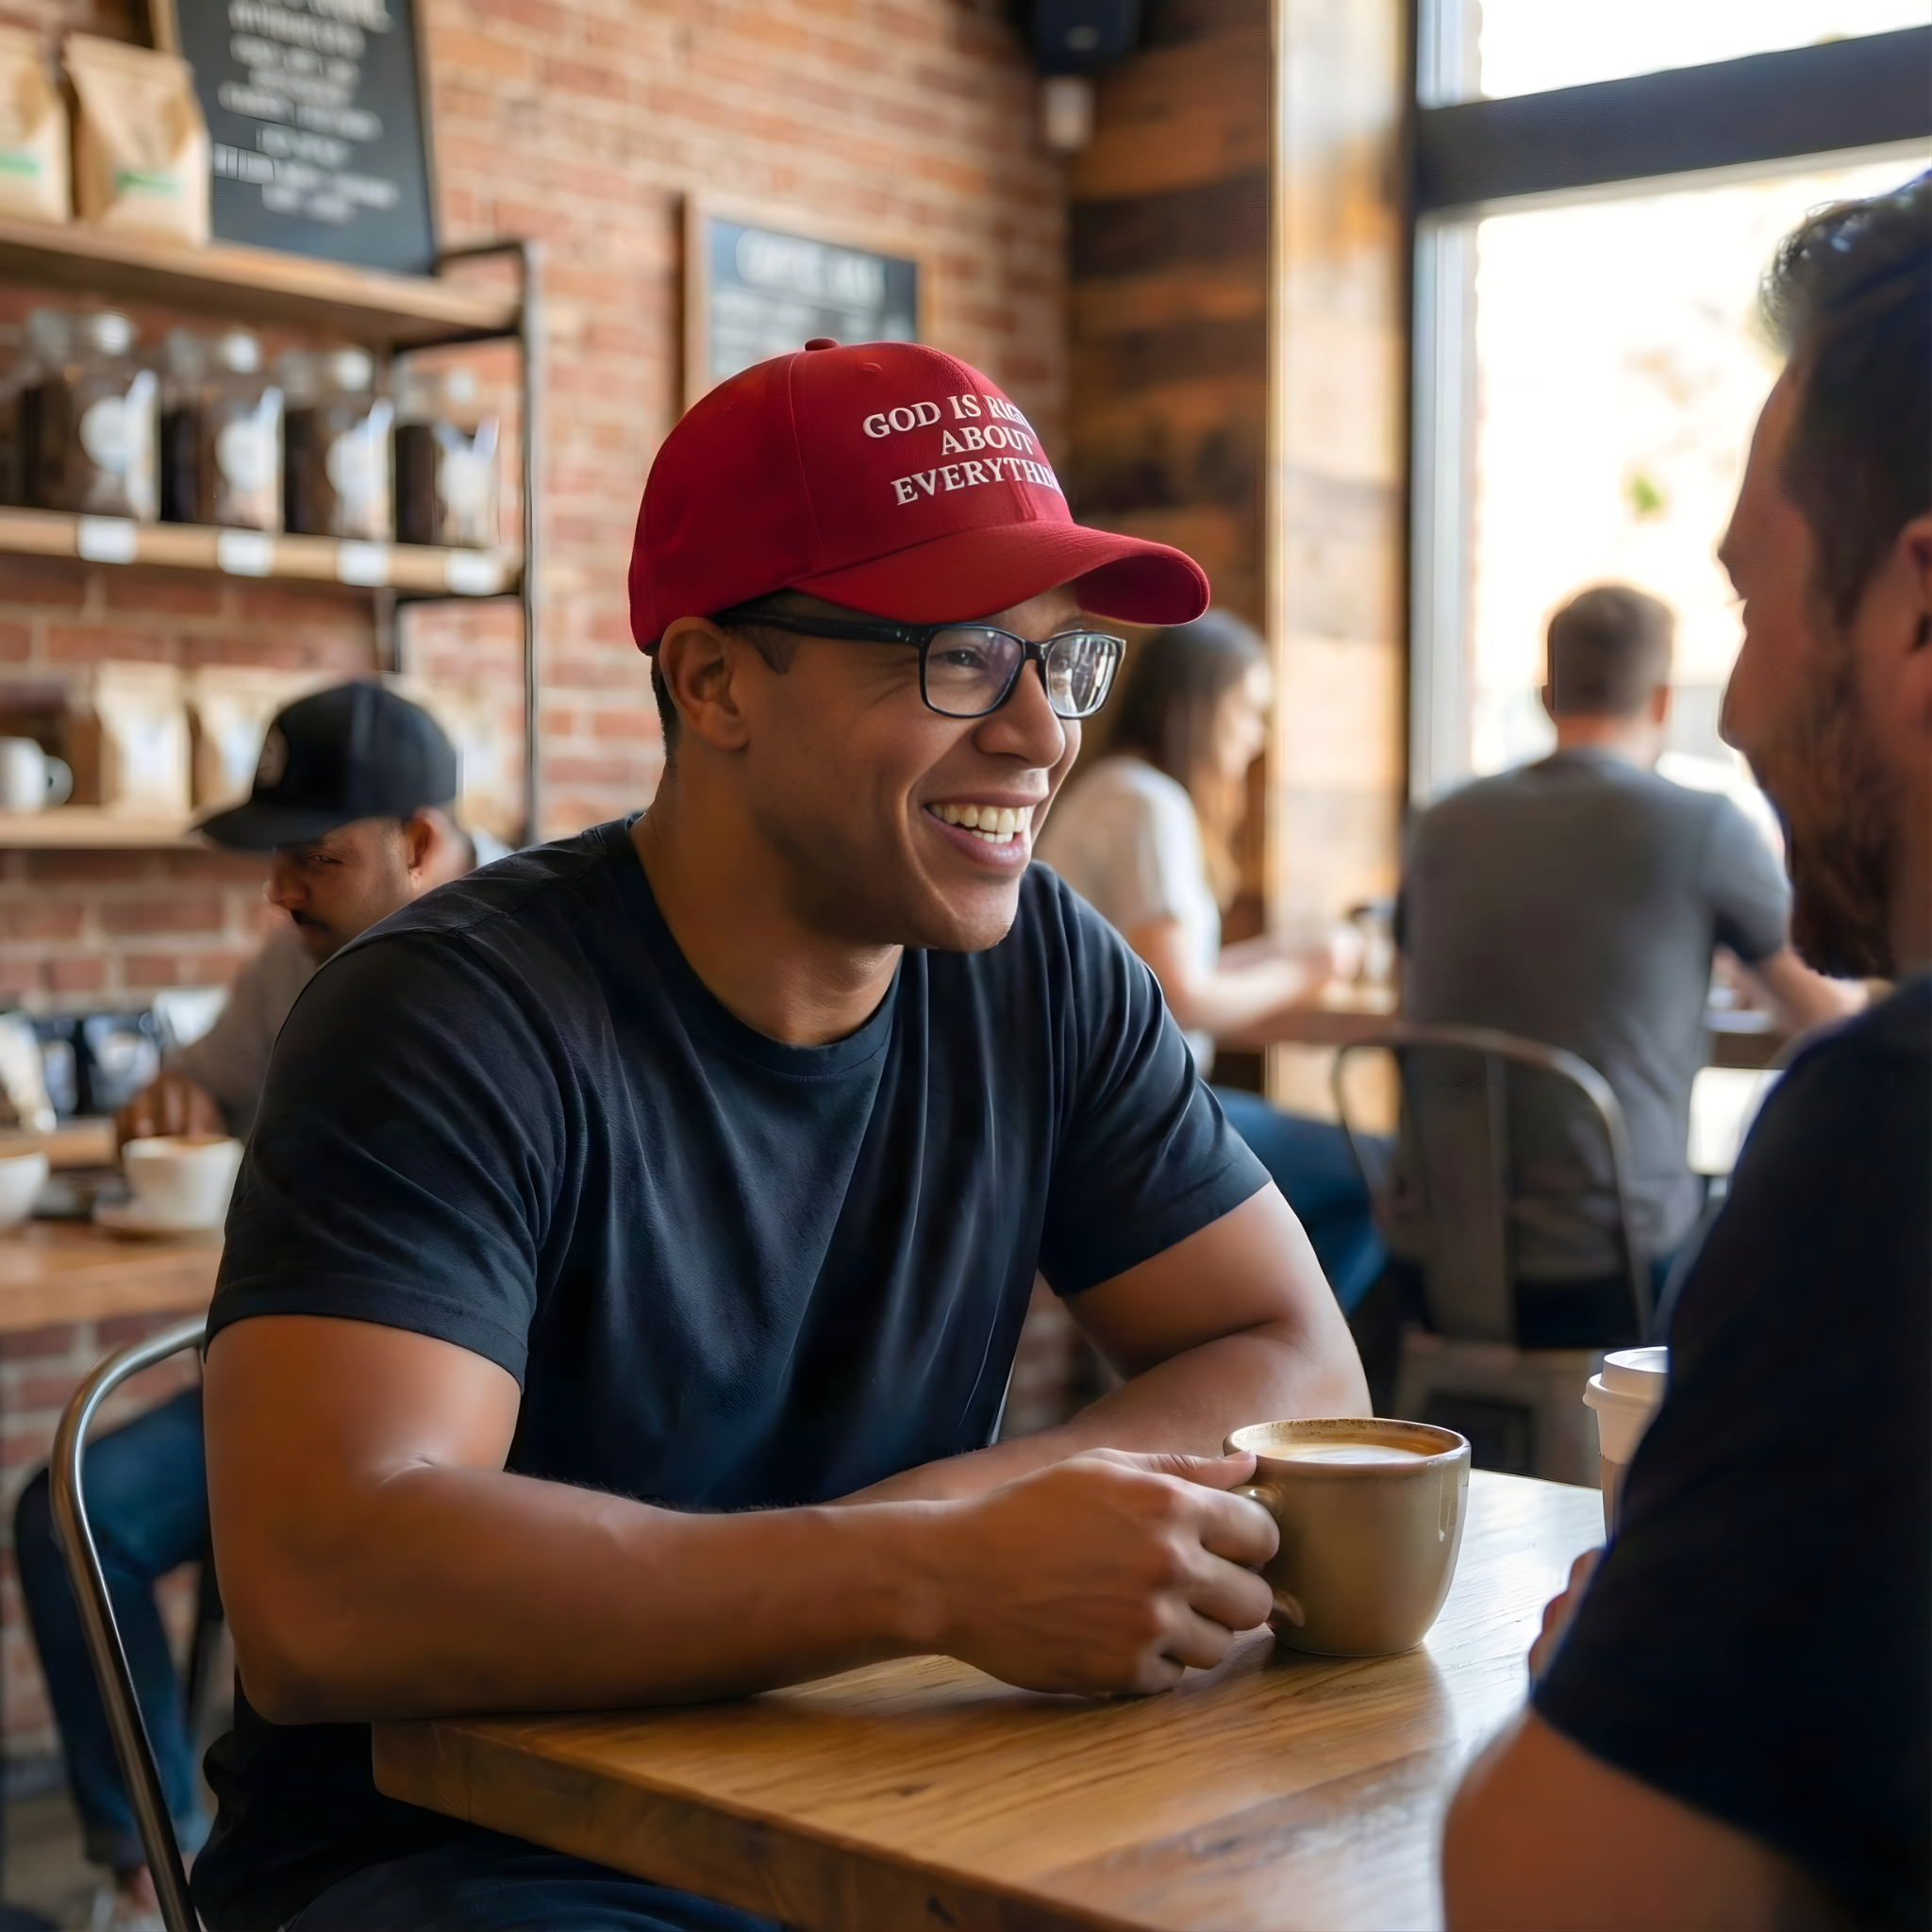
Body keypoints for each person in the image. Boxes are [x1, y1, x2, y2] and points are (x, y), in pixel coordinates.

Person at [191, 339, 1370, 1932]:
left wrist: (939, 1554)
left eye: (1058, 658)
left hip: (901, 1790)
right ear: (712, 678)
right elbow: (328, 1589)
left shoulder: (1045, 968)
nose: (1038, 734)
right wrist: (937, 1571)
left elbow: (1294, 1356)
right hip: (473, 1862)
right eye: (958, 654)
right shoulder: (446, 1015)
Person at [1442, 174, 1929, 1927]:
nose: (1731, 709)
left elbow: (1541, 1891)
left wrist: (1640, 1641)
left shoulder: (1886, 1144)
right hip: (1602, 1250)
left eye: (1751, 602)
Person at [14, 683, 472, 1931]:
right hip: (277, 1394)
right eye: (279, 862)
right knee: (69, 1516)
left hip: (481, 1421)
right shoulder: (299, 963)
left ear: (420, 842)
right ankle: (148, 1871)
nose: (281, 894)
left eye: (315, 860)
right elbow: (201, 1082)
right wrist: (178, 1103)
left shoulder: (524, 974)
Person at [1393, 582, 1857, 1347]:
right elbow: (1834, 1020)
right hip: (1608, 1275)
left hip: (1428, 1256)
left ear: (1547, 696)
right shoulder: (1703, 826)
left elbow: (1420, 990)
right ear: (1665, 699)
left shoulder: (1440, 822)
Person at [1035, 610, 1386, 1311]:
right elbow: (1183, 998)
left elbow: (1162, 979)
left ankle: (1262, 1335)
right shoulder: (1145, 803)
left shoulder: (1116, 790)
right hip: (1126, 1123)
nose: (1257, 737)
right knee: (1385, 1171)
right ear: (1198, 706)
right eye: (1248, 710)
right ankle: (1294, 1356)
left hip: (1095, 1107)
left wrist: (1291, 958)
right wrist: (1318, 963)